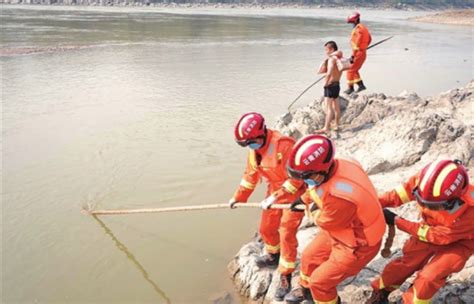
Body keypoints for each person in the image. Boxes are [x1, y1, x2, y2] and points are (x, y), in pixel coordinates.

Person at [284, 134, 385, 304]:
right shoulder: (341, 164)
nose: (304, 181)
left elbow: (324, 221)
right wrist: (304, 199)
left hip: (357, 244)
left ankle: (322, 295)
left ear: (319, 172)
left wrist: (310, 209)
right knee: (309, 257)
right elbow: (320, 189)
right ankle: (307, 292)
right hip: (343, 230)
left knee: (320, 282)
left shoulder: (340, 198)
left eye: (306, 177)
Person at [367, 159, 474, 304]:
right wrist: (371, 204)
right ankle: (381, 291)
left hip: (461, 242)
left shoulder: (470, 211)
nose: (425, 206)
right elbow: (397, 195)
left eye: (432, 206)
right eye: (421, 201)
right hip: (431, 227)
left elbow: (436, 236)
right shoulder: (425, 183)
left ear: (453, 202)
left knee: (429, 277)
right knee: (405, 264)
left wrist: (397, 221)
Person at [229, 112, 307, 300]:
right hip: (274, 192)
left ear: (261, 134)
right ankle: (273, 255)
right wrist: (238, 197)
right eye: (246, 144)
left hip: (294, 195)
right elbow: (250, 176)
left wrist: (277, 196)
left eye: (250, 142)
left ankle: (286, 275)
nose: (249, 146)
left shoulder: (283, 145)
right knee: (266, 227)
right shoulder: (253, 150)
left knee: (286, 232)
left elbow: (296, 179)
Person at [315, 41, 344, 135]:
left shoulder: (331, 59)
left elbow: (329, 72)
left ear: (331, 49)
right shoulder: (339, 57)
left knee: (329, 108)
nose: (326, 52)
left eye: (326, 50)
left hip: (330, 85)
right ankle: (336, 124)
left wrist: (326, 83)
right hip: (337, 84)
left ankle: (326, 128)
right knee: (336, 107)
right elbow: (340, 52)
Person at [345, 11, 372, 95]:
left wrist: (353, 55)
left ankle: (350, 88)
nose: (352, 25)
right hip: (362, 52)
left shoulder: (358, 29)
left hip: (358, 53)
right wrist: (365, 47)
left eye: (352, 23)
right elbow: (370, 39)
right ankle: (361, 85)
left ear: (356, 21)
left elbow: (357, 43)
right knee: (355, 69)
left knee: (350, 69)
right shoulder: (364, 27)